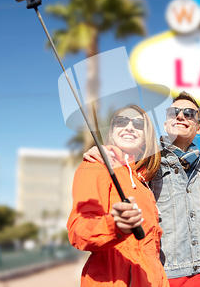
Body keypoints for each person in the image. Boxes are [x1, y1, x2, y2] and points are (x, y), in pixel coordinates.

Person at [84, 92, 200, 287]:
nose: (181, 116)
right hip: (168, 273)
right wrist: (104, 150)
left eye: (189, 113)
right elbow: (125, 162)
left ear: (199, 128)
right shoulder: (149, 160)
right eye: (174, 112)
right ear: (165, 124)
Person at [67, 104, 168, 286]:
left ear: (146, 137)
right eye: (121, 121)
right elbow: (78, 232)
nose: (129, 127)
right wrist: (114, 225)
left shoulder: (142, 183)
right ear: (112, 132)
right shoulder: (95, 165)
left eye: (138, 124)